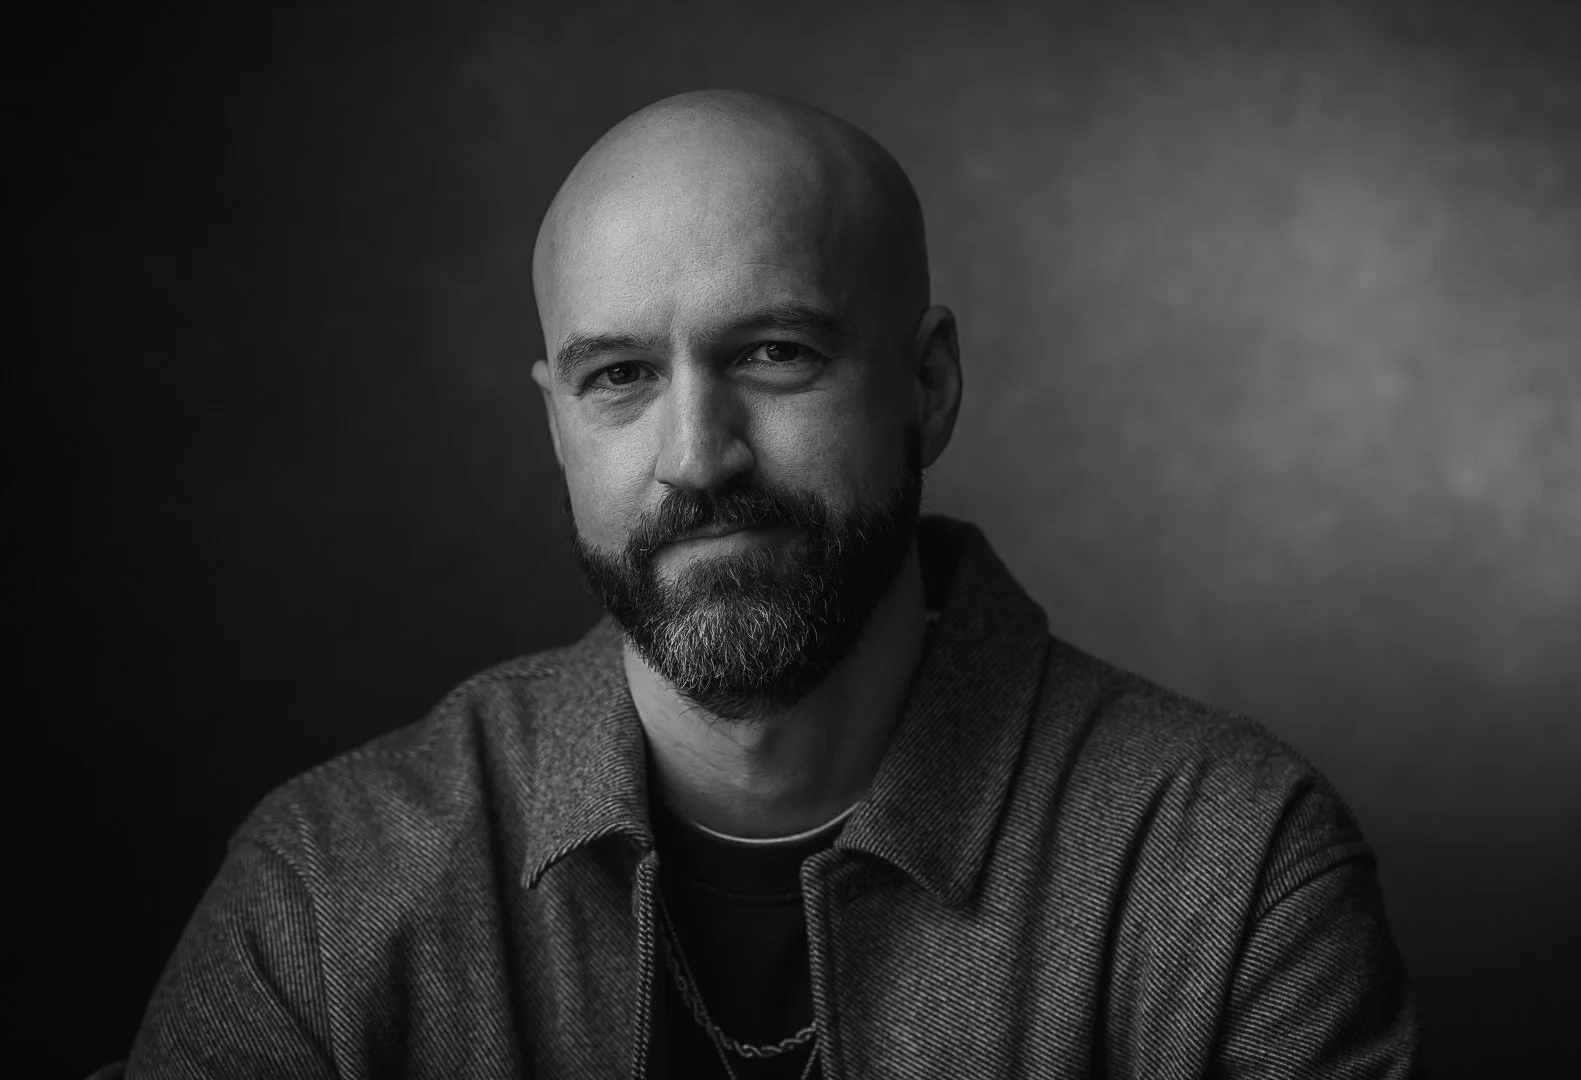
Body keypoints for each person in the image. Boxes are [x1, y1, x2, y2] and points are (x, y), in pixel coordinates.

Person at [125, 89, 1422, 1079]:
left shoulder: (1232, 869)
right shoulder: (327, 891)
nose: (697, 456)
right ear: (557, 426)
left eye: (777, 351)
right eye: (619, 376)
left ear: (929, 387)